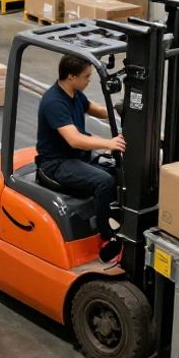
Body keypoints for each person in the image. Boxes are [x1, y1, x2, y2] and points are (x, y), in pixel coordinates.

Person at [36, 54, 126, 260]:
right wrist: (109, 143)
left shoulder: (75, 94)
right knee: (104, 181)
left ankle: (112, 219)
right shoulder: (54, 102)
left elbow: (99, 111)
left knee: (119, 172)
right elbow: (74, 139)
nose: (89, 80)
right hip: (56, 163)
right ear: (71, 76)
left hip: (76, 157)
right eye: (86, 76)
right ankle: (106, 236)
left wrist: (122, 107)